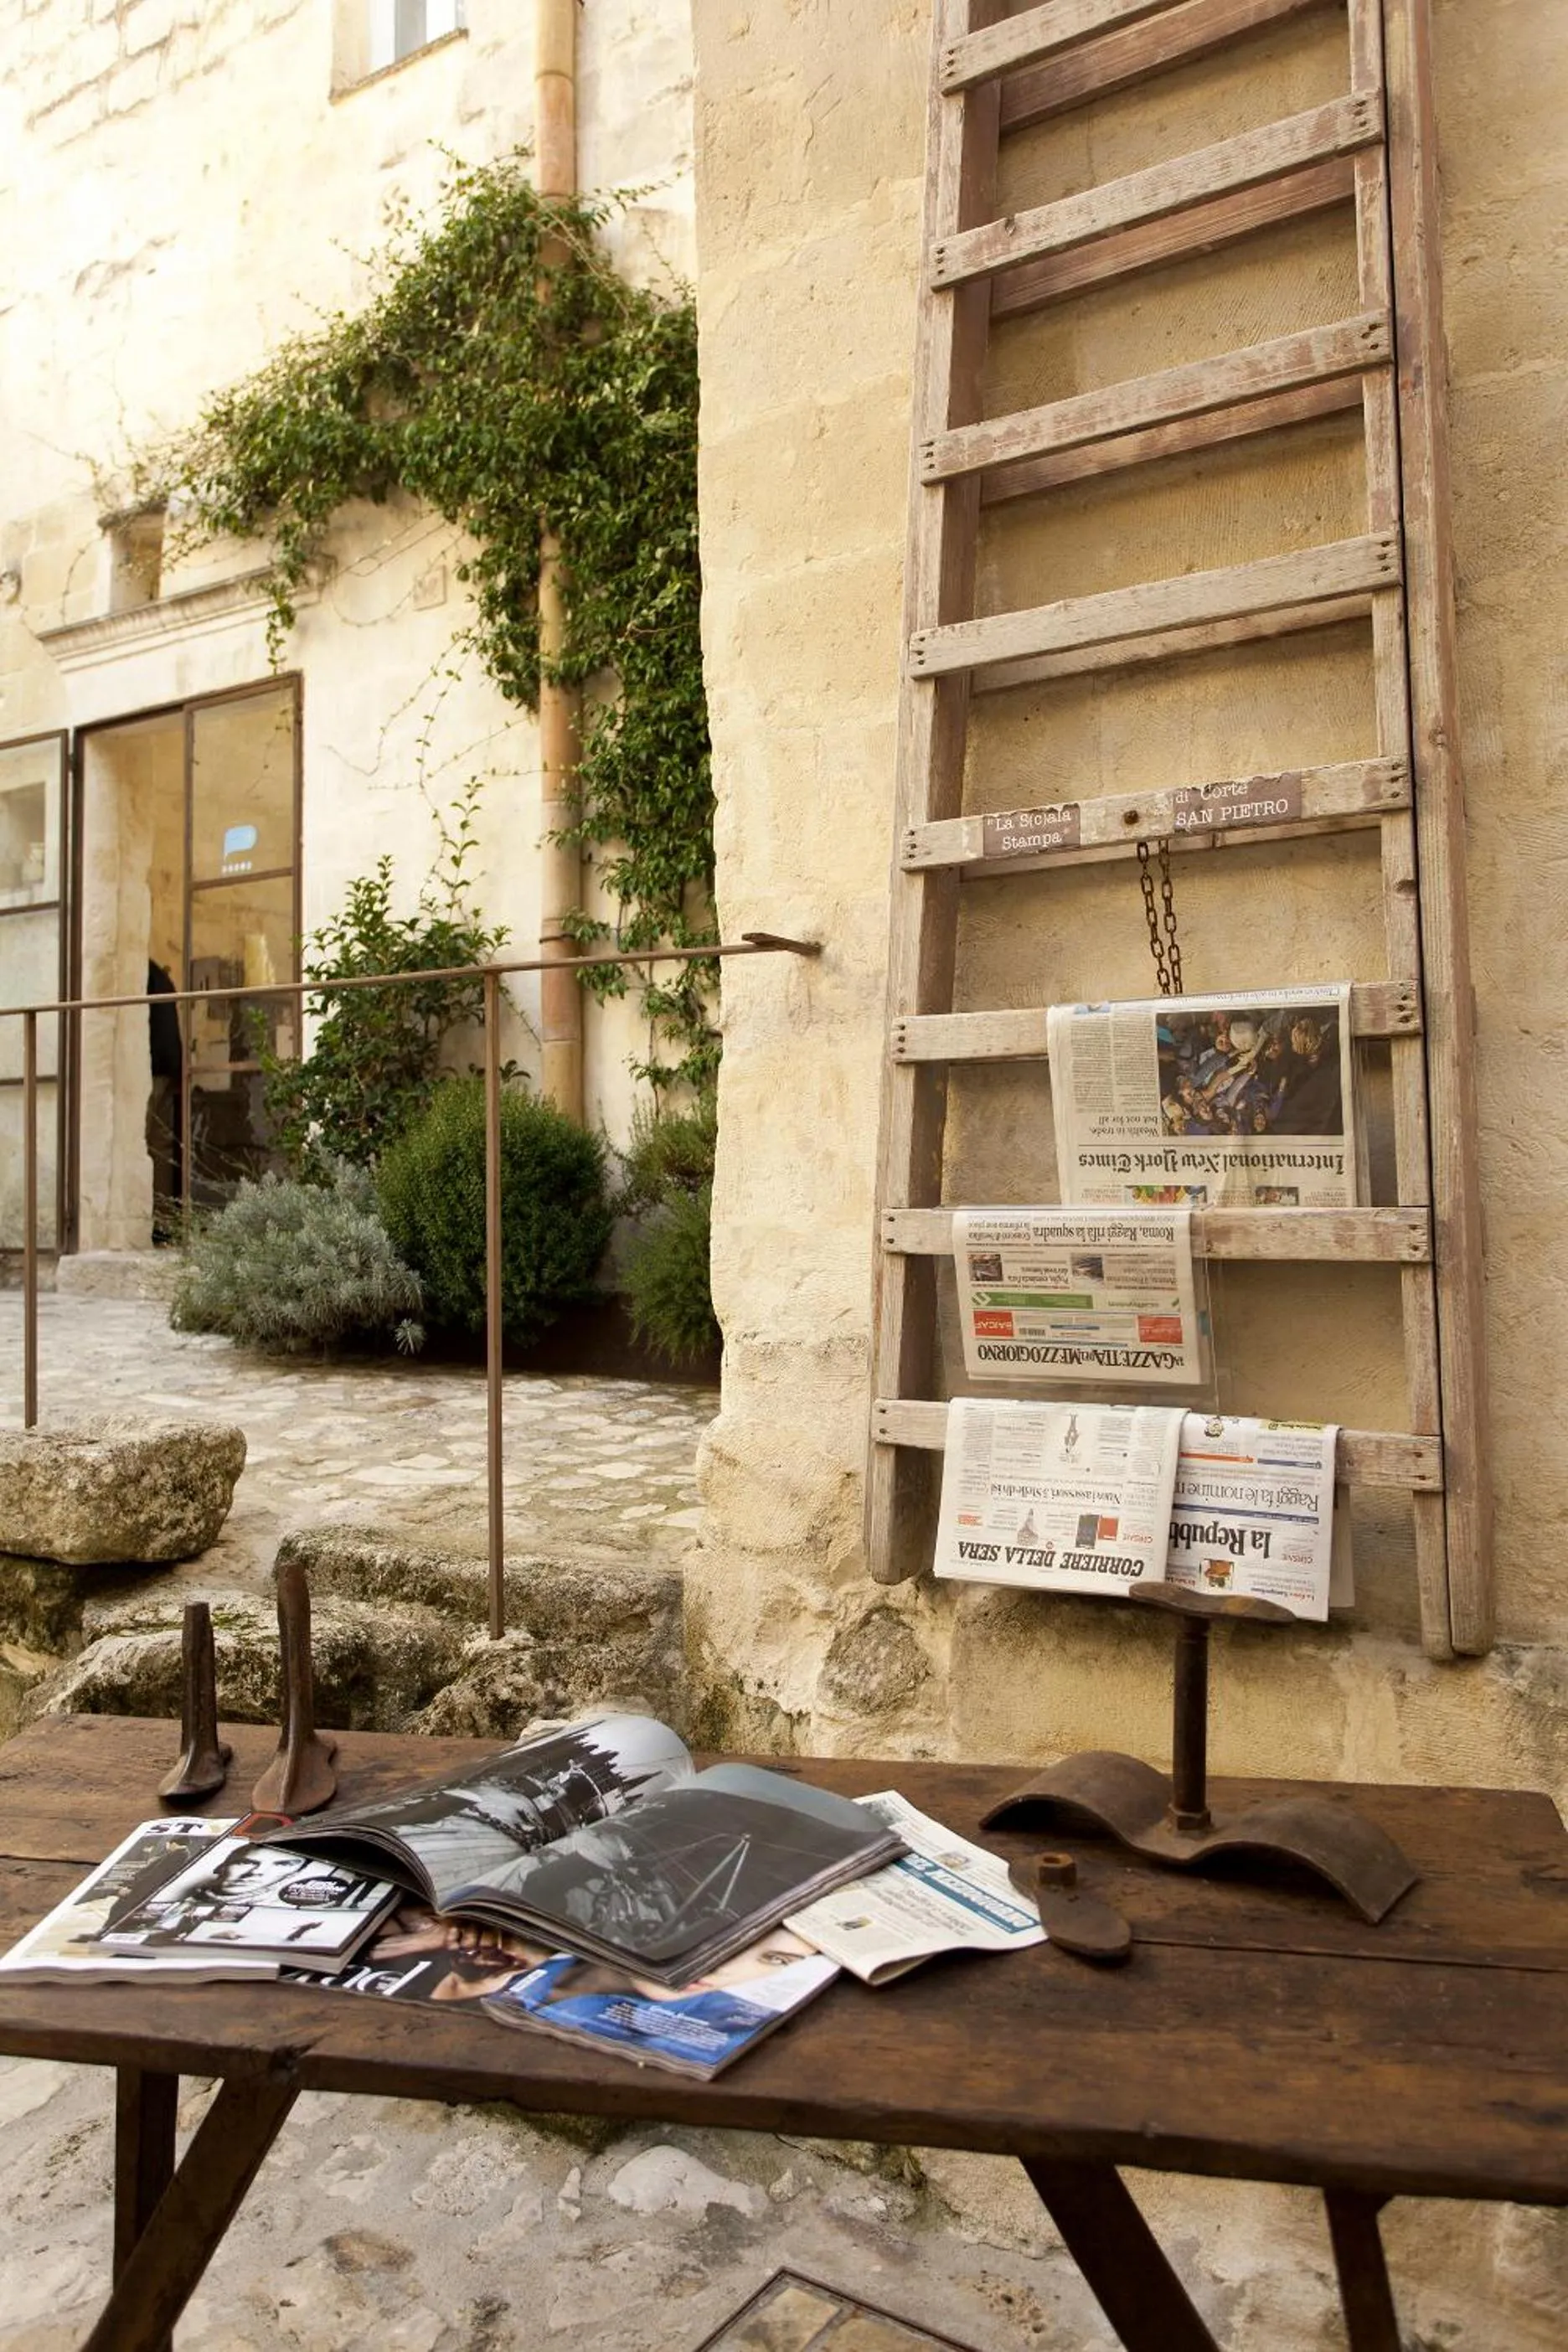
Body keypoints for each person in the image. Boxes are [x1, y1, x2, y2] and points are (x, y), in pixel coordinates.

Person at [146, 959, 183, 1241]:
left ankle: (156, 1219)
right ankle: (164, 1218)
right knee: (160, 1145)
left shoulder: (145, 973)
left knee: (151, 1144)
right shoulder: (160, 974)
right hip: (166, 1068)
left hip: (152, 1069)